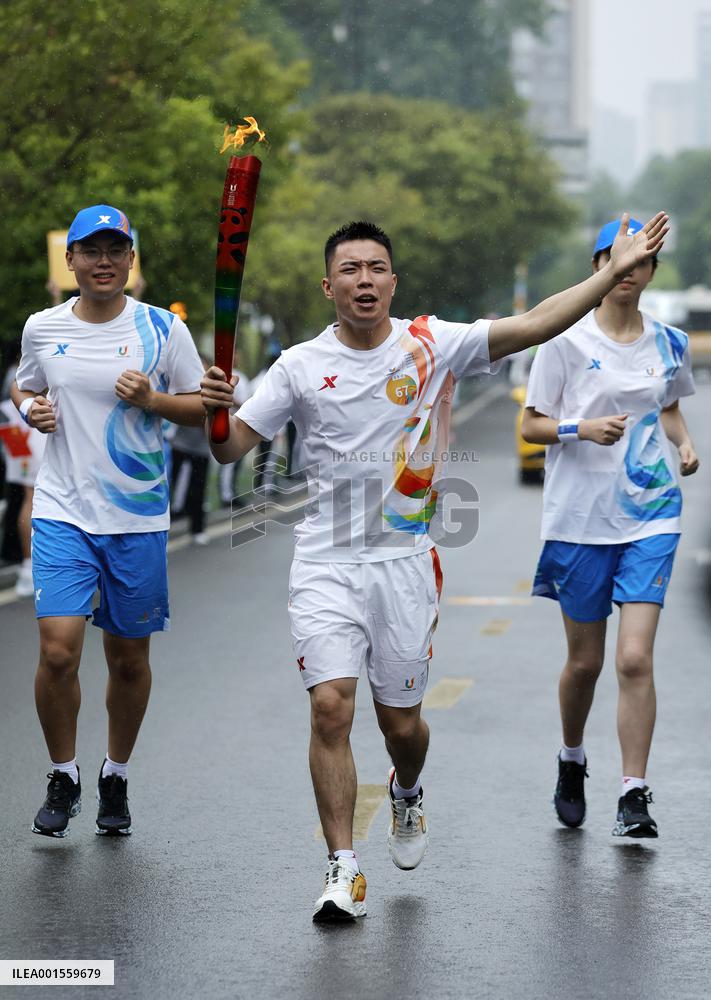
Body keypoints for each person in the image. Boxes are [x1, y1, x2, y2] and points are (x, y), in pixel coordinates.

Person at [200, 213, 668, 921]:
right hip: (325, 561)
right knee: (330, 707)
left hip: (405, 564)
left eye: (375, 267)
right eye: (350, 269)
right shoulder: (297, 364)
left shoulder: (431, 344)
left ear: (393, 280)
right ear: (329, 285)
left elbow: (536, 324)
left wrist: (608, 274)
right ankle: (342, 869)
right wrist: (212, 410)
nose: (364, 279)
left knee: (402, 726)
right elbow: (231, 448)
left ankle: (406, 790)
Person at [11, 204, 205, 838]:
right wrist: (32, 405)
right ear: (69, 260)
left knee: (126, 659)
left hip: (136, 517)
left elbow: (202, 408)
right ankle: (62, 772)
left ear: (130, 259)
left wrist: (153, 399)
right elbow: (26, 385)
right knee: (59, 650)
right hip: (65, 510)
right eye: (89, 251)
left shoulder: (161, 331)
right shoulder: (42, 327)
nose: (102, 261)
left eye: (114, 250)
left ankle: (114, 774)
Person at [521, 217, 698, 839]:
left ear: (650, 271)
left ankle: (633, 793)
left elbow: (668, 407)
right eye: (613, 260)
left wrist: (684, 444)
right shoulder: (563, 341)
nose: (626, 272)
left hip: (652, 513)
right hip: (579, 520)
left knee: (633, 658)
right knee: (585, 663)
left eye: (638, 261)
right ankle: (572, 759)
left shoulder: (670, 343)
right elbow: (532, 424)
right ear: (599, 268)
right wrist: (580, 428)